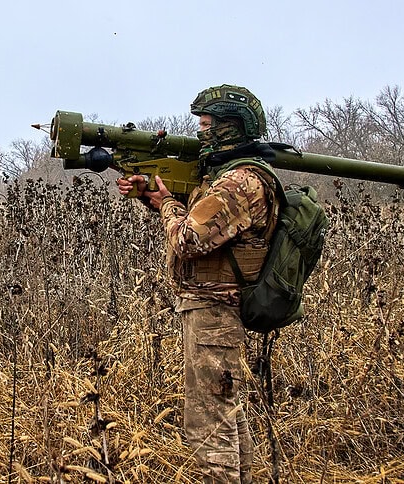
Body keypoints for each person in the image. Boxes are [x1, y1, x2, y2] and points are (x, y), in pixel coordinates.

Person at [116, 84, 280, 483]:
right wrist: (150, 195)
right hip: (210, 310)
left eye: (207, 124)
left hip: (215, 313)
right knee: (226, 416)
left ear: (231, 127)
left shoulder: (240, 182)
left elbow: (188, 238)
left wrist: (166, 206)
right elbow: (206, 224)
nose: (200, 132)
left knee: (209, 427)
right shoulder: (230, 177)